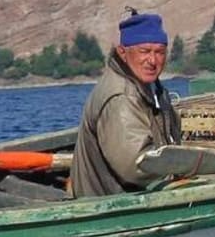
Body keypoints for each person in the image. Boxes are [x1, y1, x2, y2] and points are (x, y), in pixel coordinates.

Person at [71, 11, 182, 197]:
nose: (152, 61)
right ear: (123, 53)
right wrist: (184, 169)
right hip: (108, 206)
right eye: (144, 51)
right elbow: (135, 166)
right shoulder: (121, 96)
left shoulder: (151, 87)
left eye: (160, 52)